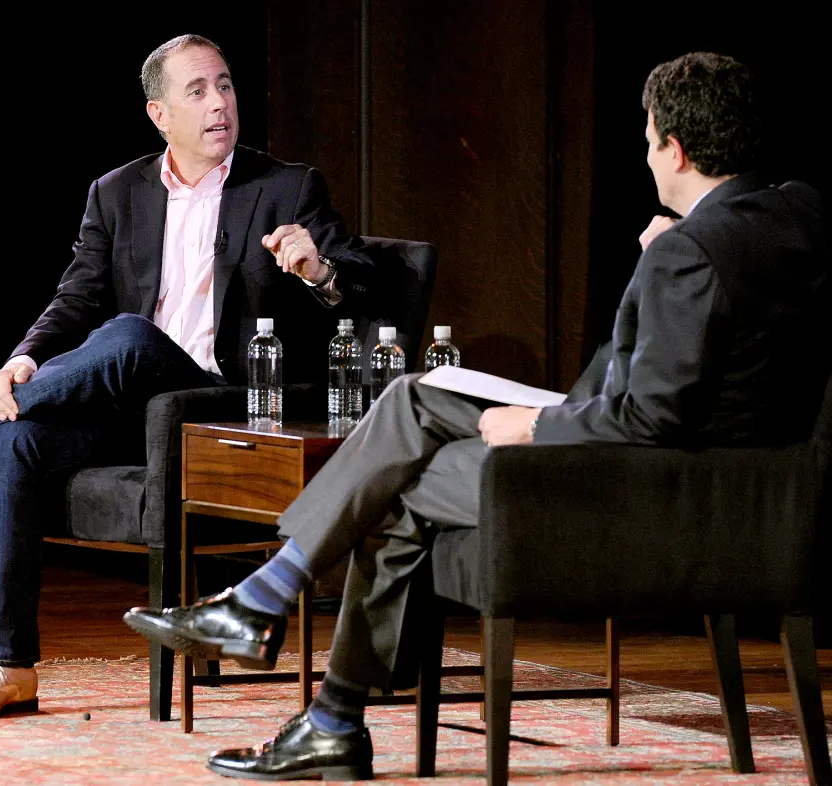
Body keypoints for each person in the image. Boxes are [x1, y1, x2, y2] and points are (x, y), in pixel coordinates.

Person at [124, 51, 829, 781]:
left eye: (649, 141)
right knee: (418, 400)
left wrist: (536, 427)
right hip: (755, 491)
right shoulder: (796, 215)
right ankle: (309, 679)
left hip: (652, 492)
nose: (648, 157)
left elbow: (651, 416)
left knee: (401, 482)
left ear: (674, 150)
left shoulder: (689, 253)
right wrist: (672, 245)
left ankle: (287, 637)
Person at [0, 34, 377, 719]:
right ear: (161, 115)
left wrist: (317, 268)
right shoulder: (118, 191)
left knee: (127, 337)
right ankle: (5, 665)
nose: (220, 102)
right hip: (129, 409)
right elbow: (75, 298)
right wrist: (21, 361)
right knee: (13, 439)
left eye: (226, 85)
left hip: (221, 404)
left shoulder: (286, 187)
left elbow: (366, 290)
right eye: (198, 91)